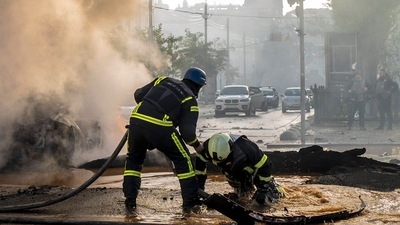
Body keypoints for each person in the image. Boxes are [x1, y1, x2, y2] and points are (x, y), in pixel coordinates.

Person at [123, 67, 206, 216]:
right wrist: (198, 147)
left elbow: (138, 94)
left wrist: (149, 109)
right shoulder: (190, 99)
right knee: (184, 160)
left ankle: (130, 202)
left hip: (136, 121)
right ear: (199, 86)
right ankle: (190, 204)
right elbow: (188, 134)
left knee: (134, 160)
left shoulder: (163, 79)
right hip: (161, 126)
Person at [195, 132, 284, 206]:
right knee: (242, 200)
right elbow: (200, 168)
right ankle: (240, 196)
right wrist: (200, 188)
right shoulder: (207, 149)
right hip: (233, 174)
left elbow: (266, 165)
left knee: (266, 200)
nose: (219, 163)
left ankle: (275, 190)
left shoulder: (247, 148)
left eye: (223, 160)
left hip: (253, 172)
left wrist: (263, 190)